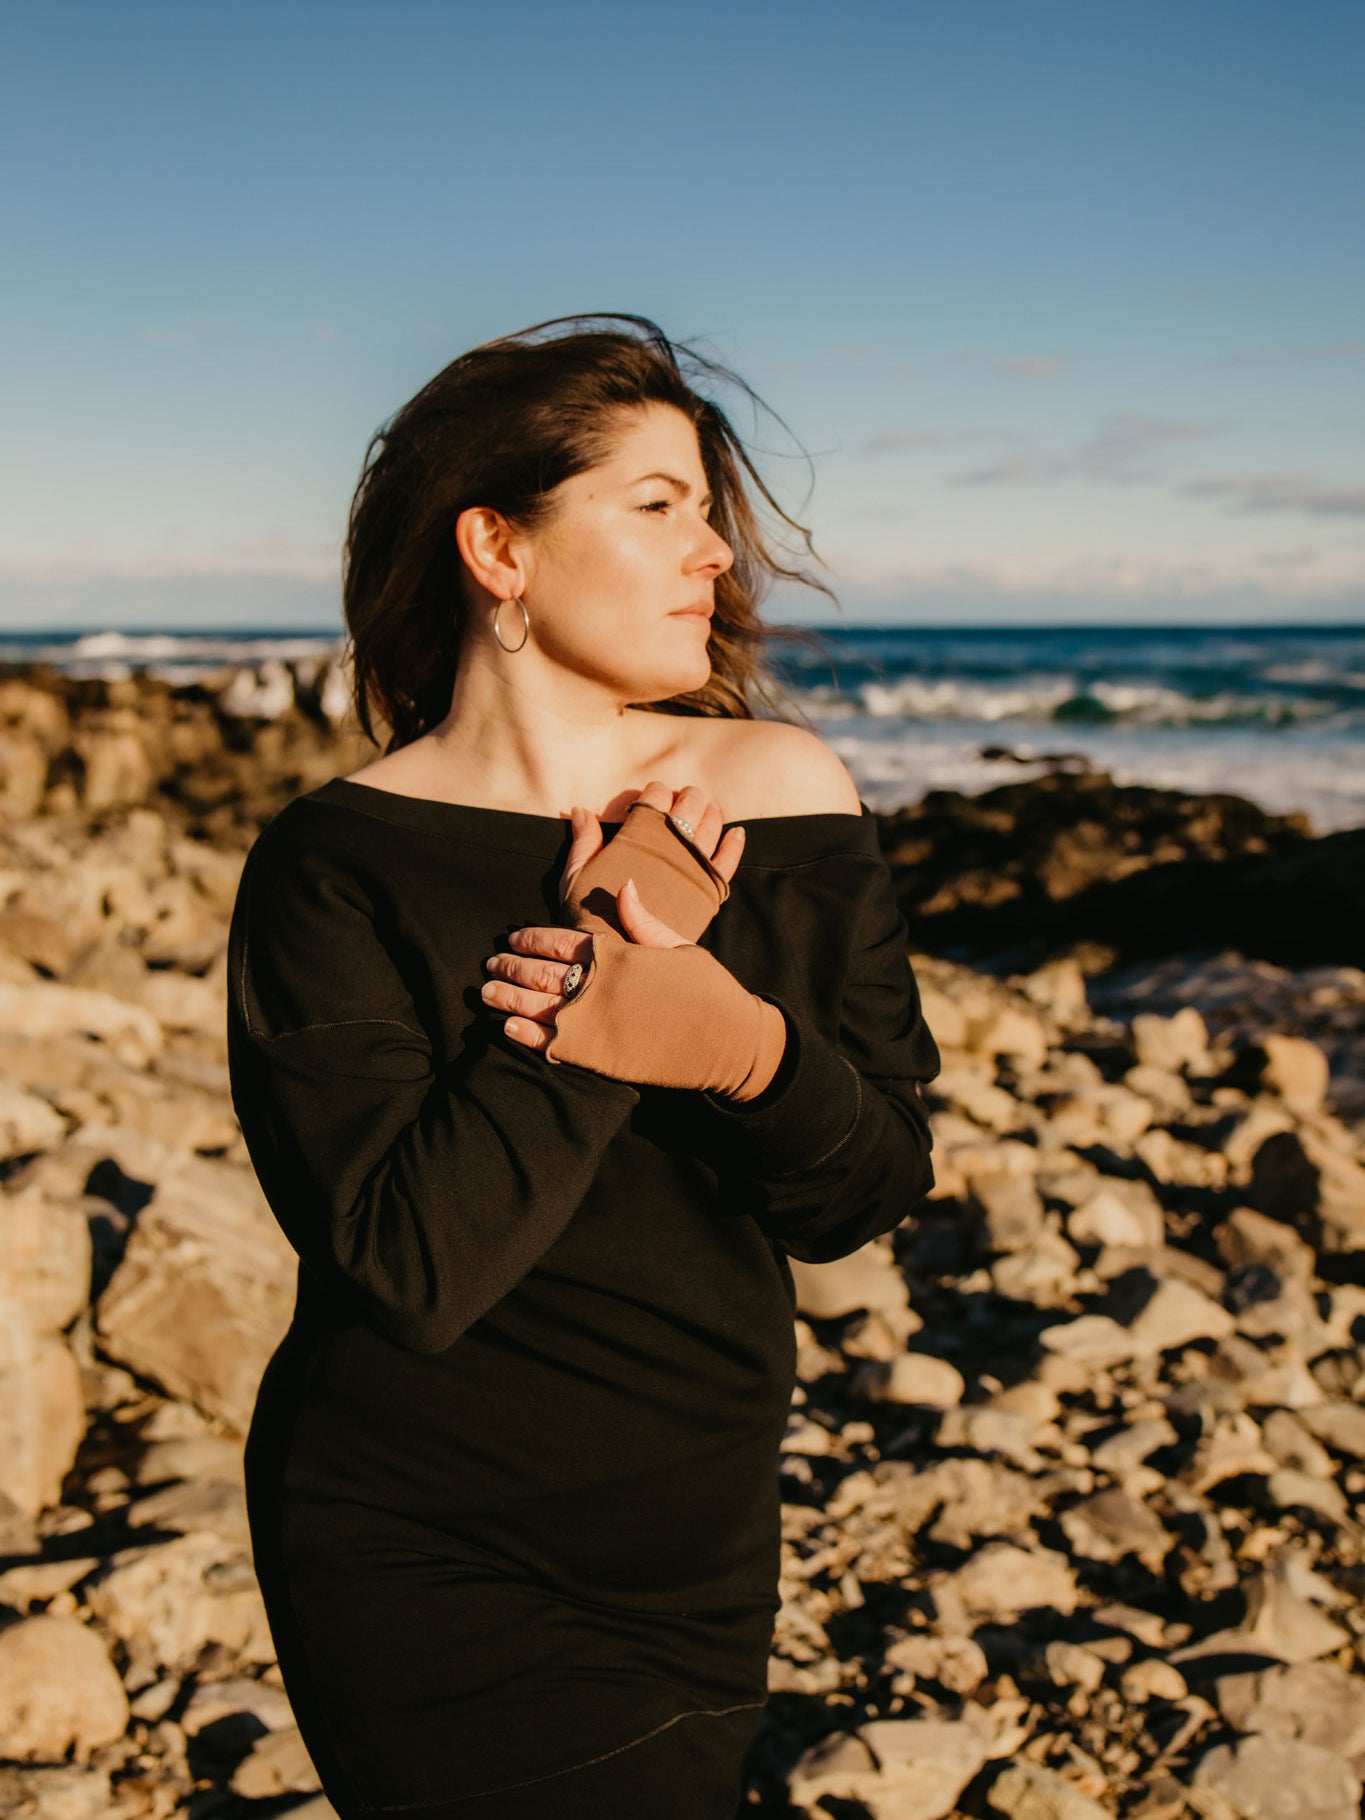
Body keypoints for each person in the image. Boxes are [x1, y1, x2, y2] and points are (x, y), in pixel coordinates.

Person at [226, 313, 940, 1820]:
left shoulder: (780, 789)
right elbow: (410, 1265)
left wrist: (739, 1047)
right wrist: (596, 1010)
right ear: (499, 547)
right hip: (421, 1548)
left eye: (710, 514)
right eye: (658, 505)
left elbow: (865, 1185)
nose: (713, 558)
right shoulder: (333, 865)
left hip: (689, 1542)